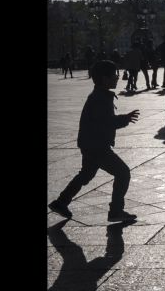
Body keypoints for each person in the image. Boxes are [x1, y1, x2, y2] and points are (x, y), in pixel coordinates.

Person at [48, 60, 140, 222]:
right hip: (97, 146)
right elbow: (106, 121)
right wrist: (125, 119)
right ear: (105, 79)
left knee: (86, 175)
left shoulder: (100, 95)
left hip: (90, 143)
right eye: (115, 75)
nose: (117, 78)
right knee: (123, 173)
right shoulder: (100, 98)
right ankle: (116, 211)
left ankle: (61, 202)